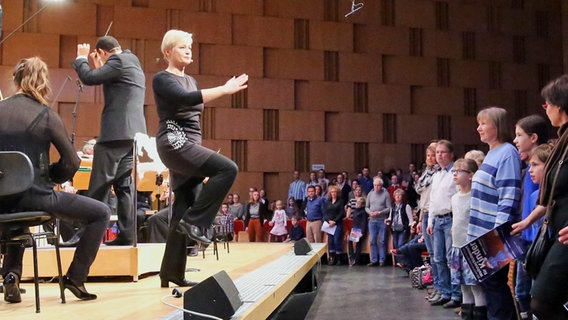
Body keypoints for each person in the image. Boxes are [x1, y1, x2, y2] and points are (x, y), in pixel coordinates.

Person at [0, 57, 111, 303]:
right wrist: (49, 176)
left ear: (16, 79)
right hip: (38, 197)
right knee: (101, 213)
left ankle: (11, 275)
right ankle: (75, 277)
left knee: (17, 211)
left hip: (2, 201)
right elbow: (72, 162)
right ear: (43, 83)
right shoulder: (45, 116)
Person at [152, 29, 248, 288]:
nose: (188, 51)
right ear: (167, 52)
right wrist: (225, 90)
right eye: (182, 47)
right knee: (228, 169)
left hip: (190, 144)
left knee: (183, 203)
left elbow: (193, 112)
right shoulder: (162, 79)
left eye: (189, 48)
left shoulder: (192, 81)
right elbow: (185, 100)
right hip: (174, 141)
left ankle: (170, 272)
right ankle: (196, 224)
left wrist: (197, 155)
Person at [72, 35, 147, 246]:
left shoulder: (118, 61)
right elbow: (109, 79)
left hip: (115, 133)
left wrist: (80, 58)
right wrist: (100, 66)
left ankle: (88, 237)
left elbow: (88, 78)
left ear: (104, 52)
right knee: (123, 186)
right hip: (132, 134)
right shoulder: (132, 61)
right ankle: (126, 235)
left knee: (98, 186)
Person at [467, 107, 521, 320]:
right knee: (490, 286)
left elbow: (509, 193)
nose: (478, 128)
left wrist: (498, 230)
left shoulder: (507, 152)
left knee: (495, 286)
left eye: (483, 123)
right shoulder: (493, 153)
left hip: (494, 232)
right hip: (482, 232)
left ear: (497, 126)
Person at [523, 76, 568, 319]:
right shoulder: (564, 141)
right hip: (559, 229)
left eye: (547, 103)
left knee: (542, 301)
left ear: (560, 105)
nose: (546, 108)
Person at [511, 114, 549, 319]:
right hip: (525, 237)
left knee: (534, 293)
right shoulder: (527, 167)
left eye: (519, 135)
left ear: (533, 138)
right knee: (521, 292)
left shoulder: (544, 168)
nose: (515, 140)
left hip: (537, 239)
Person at [448, 158, 487, 319]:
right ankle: (466, 315)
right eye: (454, 171)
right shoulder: (455, 198)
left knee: (476, 287)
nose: (455, 174)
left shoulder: (475, 197)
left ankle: (480, 315)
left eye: (459, 171)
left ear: (470, 175)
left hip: (472, 248)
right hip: (457, 247)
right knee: (463, 286)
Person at [426, 140, 461, 308]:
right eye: (437, 152)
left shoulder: (455, 172)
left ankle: (455, 294)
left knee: (450, 259)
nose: (439, 155)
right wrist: (430, 220)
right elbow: (432, 200)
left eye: (442, 152)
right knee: (438, 258)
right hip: (438, 220)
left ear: (451, 154)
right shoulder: (437, 174)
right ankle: (444, 291)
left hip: (450, 219)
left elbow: (459, 197)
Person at [416, 142, 439, 301]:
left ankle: (441, 288)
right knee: (432, 254)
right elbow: (421, 194)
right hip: (425, 213)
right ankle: (437, 286)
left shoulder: (439, 173)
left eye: (433, 155)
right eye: (428, 156)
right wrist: (420, 219)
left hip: (435, 213)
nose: (431, 158)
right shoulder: (426, 173)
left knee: (438, 255)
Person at [365, 177, 392, 267]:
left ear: (381, 185)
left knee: (382, 240)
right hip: (372, 220)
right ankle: (374, 260)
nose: (376, 187)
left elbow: (389, 208)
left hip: (381, 220)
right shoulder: (370, 194)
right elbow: (366, 207)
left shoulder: (386, 194)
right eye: (375, 185)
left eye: (378, 185)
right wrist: (370, 213)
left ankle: (382, 260)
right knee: (372, 240)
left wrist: (380, 212)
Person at [323, 185, 345, 265]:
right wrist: (328, 221)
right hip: (329, 224)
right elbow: (325, 213)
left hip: (337, 223)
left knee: (336, 240)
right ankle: (332, 258)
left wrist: (334, 221)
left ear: (337, 193)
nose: (333, 193)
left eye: (335, 192)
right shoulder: (327, 201)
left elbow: (341, 213)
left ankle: (339, 258)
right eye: (332, 192)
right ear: (330, 193)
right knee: (330, 241)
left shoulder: (340, 201)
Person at [387, 188, 413, 253]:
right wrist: (387, 220)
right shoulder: (392, 206)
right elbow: (390, 217)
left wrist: (410, 227)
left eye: (399, 195)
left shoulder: (406, 206)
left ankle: (403, 262)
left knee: (401, 244)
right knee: (396, 245)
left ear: (402, 196)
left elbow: (410, 219)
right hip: (394, 228)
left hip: (403, 228)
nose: (398, 196)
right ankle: (398, 261)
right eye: (396, 195)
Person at [346, 194, 367, 266]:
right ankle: (353, 257)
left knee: (357, 244)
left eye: (359, 203)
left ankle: (355, 259)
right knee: (351, 242)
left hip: (359, 229)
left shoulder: (363, 212)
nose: (357, 204)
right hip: (354, 229)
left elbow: (364, 222)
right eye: (357, 203)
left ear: (362, 204)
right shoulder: (355, 210)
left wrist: (362, 231)